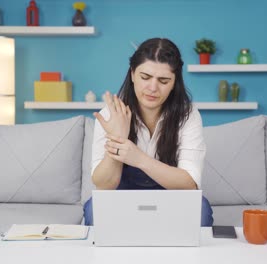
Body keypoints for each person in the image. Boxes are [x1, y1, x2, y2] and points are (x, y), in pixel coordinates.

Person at [83, 38, 213, 226]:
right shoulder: (110, 114)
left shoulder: (188, 115)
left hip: (172, 194)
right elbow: (103, 185)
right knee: (94, 209)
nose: (153, 88)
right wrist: (117, 140)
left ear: (175, 82)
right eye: (145, 77)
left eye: (163, 80)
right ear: (133, 74)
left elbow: (189, 184)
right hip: (122, 195)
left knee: (200, 211)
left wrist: (138, 159)